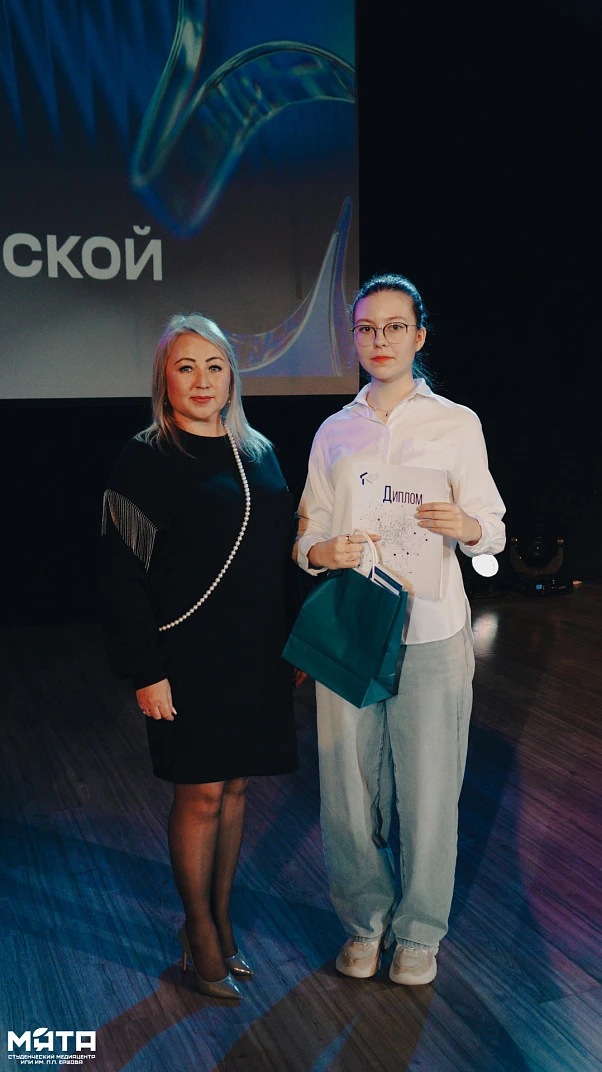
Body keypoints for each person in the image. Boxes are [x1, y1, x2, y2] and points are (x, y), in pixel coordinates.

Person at [294, 274, 505, 986]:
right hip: (352, 629)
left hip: (433, 630)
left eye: (393, 326)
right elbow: (308, 534)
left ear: (419, 335)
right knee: (348, 790)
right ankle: (364, 921)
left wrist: (466, 525)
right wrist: (323, 551)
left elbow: (492, 530)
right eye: (366, 328)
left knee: (429, 789)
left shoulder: (457, 424)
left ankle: (418, 934)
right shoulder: (335, 431)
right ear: (353, 339)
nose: (379, 339)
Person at [101, 313, 298, 999]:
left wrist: (295, 642)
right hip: (185, 655)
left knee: (236, 788)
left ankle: (221, 918)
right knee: (202, 792)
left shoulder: (259, 452)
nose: (202, 380)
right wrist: (146, 669)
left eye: (214, 366)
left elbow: (279, 558)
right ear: (165, 379)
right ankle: (199, 930)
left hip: (256, 653)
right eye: (185, 367)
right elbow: (120, 576)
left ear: (232, 377)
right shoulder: (146, 457)